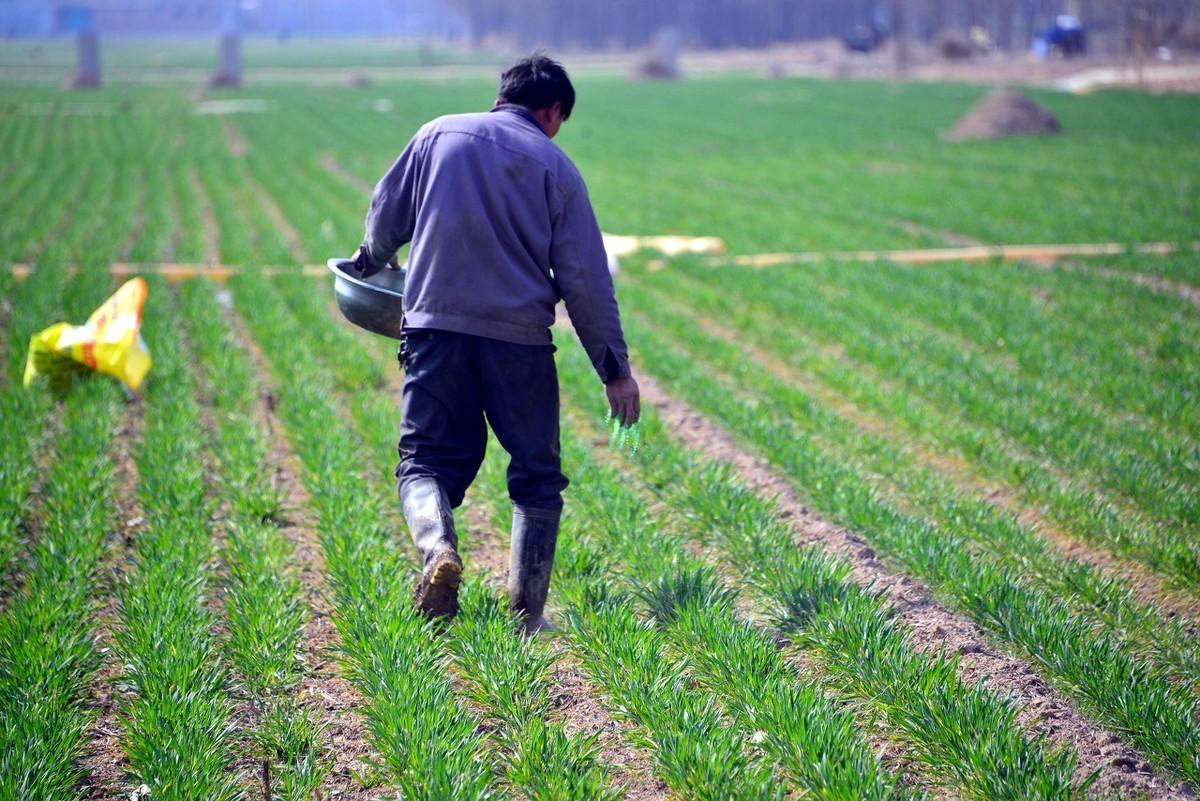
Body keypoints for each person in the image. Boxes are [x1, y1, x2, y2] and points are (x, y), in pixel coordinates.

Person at [355, 53, 640, 632]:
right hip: (519, 342)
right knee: (537, 475)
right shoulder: (556, 168)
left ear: (503, 95)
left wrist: (368, 263)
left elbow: (387, 217)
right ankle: (526, 614)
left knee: (423, 461)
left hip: (435, 331)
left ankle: (438, 550)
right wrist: (614, 369)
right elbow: (585, 279)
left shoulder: (437, 135)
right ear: (553, 111)